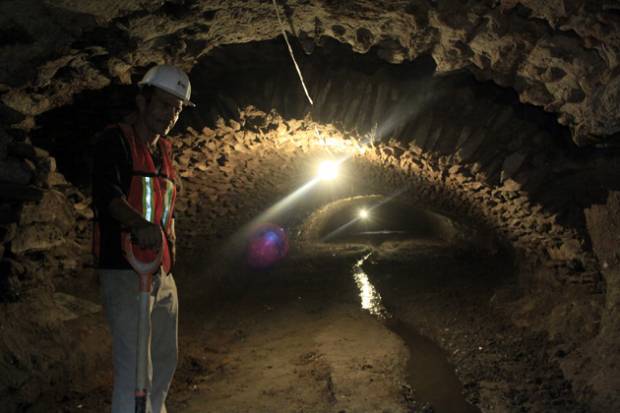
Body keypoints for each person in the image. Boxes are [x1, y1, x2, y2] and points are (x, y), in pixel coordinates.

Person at [92, 64, 194, 413]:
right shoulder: (115, 141)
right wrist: (138, 225)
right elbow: (108, 196)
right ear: (142, 101)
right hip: (125, 270)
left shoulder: (163, 151)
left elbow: (166, 208)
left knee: (165, 359)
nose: (170, 115)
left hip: (160, 270)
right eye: (165, 105)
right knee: (136, 367)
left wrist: (169, 248)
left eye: (177, 109)